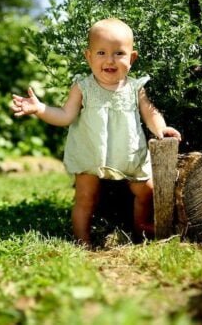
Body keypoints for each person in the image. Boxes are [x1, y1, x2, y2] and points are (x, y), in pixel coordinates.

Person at [11, 18, 181, 247]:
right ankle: (83, 240)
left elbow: (150, 113)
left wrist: (160, 128)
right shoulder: (83, 86)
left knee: (146, 191)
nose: (110, 60)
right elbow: (65, 116)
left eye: (119, 53)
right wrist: (40, 109)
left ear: (132, 58)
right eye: (101, 53)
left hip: (128, 154)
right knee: (85, 198)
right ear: (88, 56)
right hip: (91, 153)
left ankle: (141, 227)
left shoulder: (134, 88)